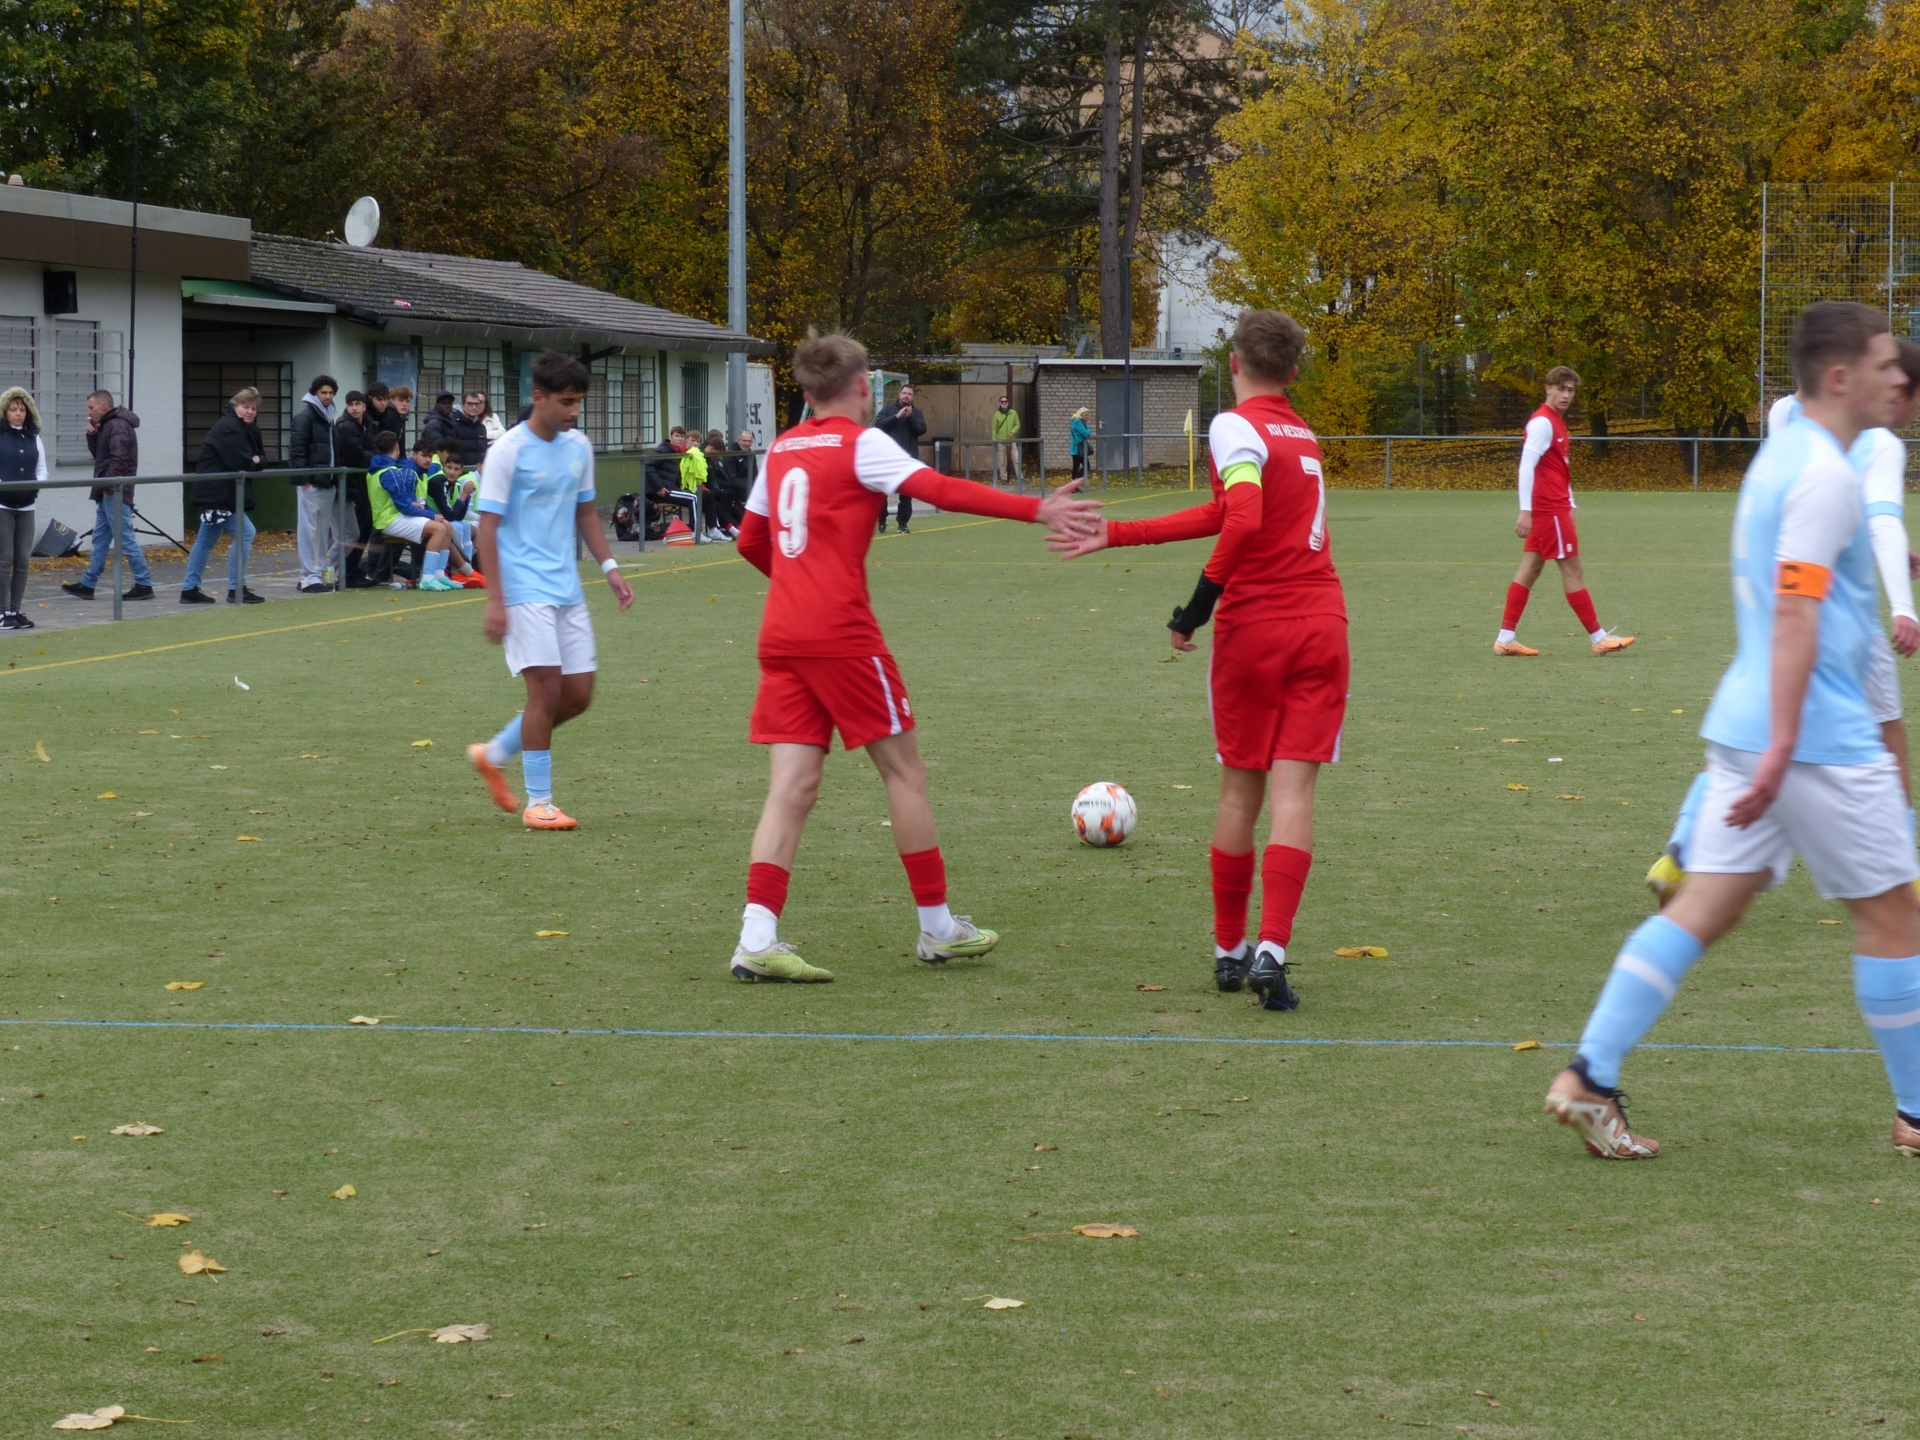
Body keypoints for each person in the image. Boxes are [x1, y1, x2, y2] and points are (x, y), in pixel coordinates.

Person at [1544, 301, 1920, 1161]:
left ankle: (1589, 1075)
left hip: (1747, 725)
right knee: (1896, 919)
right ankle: (1916, 1114)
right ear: (1840, 377)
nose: (1896, 377)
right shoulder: (1825, 473)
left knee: (1703, 907)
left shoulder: (1781, 456)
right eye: (1881, 364)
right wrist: (1788, 745)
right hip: (1815, 736)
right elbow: (1795, 613)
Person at [726, 329, 1101, 983]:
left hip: (782, 636)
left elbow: (751, 540)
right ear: (857, 385)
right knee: (905, 773)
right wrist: (1035, 510)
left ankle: (756, 937)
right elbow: (942, 490)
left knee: (790, 788)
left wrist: (797, 585)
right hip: (841, 637)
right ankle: (937, 927)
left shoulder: (783, 448)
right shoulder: (862, 443)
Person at [1053, 310, 1345, 1012]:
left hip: (1257, 629)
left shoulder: (1233, 425)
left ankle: (1229, 950)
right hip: (1321, 625)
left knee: (1241, 794)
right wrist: (1120, 533)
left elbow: (1241, 518)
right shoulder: (1300, 432)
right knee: (1295, 796)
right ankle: (1271, 950)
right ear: (1293, 371)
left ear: (1232, 363)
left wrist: (1194, 610)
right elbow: (1228, 510)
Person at [1648, 339, 1920, 904]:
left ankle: (1680, 853)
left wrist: (1878, 551)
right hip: (1836, 620)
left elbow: (1811, 510)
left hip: (1772, 610)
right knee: (1887, 736)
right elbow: (1878, 520)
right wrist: (1903, 604)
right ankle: (1905, 869)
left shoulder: (1784, 416)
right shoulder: (1881, 444)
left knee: (1746, 743)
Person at [467, 351, 635, 831]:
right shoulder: (508, 451)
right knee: (544, 690)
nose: (573, 412)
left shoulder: (578, 446)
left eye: (578, 402)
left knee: (578, 696)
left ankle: (494, 753)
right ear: (538, 397)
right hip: (522, 588)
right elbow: (487, 527)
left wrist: (610, 567)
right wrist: (495, 599)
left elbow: (585, 512)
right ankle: (539, 802)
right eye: (566, 402)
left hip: (566, 587)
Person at [1493, 366, 1634, 656]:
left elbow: (1558, 469)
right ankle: (1599, 638)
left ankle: (1505, 639)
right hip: (1549, 508)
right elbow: (1526, 466)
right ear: (1548, 388)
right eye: (1561, 389)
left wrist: (1571, 503)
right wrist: (1525, 510)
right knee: (1573, 569)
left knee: (1530, 569)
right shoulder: (1543, 423)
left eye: (1570, 390)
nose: (1566, 395)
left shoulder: (1556, 423)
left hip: (1555, 507)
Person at [64, 390, 153, 601]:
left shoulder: (117, 425)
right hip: (109, 490)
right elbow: (101, 457)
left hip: (114, 491)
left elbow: (119, 459)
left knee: (125, 538)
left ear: (104, 406)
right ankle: (88, 584)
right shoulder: (110, 425)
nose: (89, 412)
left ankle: (144, 583)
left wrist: (108, 485)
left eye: (91, 407)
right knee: (100, 539)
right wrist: (93, 436)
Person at [184, 387, 265, 605]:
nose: (250, 411)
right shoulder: (229, 427)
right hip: (219, 492)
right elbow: (240, 461)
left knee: (205, 540)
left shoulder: (242, 428)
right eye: (245, 407)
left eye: (253, 408)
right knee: (246, 532)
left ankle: (189, 589)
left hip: (221, 492)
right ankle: (236, 588)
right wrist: (254, 460)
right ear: (235, 406)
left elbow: (259, 457)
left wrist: (256, 460)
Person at [370, 433, 459, 590]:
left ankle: (439, 575)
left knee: (447, 526)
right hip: (390, 519)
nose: (428, 460)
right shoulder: (395, 472)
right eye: (424, 456)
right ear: (398, 448)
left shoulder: (392, 469)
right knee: (439, 529)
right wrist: (431, 515)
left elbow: (414, 503)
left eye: (430, 456)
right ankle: (427, 578)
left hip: (395, 516)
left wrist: (429, 512)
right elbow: (405, 506)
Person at [289, 374, 340, 594]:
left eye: (330, 393)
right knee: (308, 531)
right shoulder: (305, 417)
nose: (327, 396)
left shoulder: (329, 417)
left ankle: (314, 574)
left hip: (326, 482)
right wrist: (305, 481)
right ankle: (309, 576)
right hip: (312, 483)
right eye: (323, 392)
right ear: (315, 393)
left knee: (320, 532)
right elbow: (297, 450)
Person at [0, 386, 46, 630]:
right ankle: (1, 612)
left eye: (22, 409)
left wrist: (34, 486)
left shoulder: (34, 437)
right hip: (3, 505)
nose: (18, 414)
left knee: (22, 560)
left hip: (27, 506)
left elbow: (42, 470)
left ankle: (14, 610)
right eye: (13, 409)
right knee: (4, 558)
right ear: (5, 411)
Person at [333, 393, 380, 588]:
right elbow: (355, 455)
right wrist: (377, 457)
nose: (354, 408)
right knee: (355, 531)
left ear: (364, 407)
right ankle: (346, 573)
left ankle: (351, 572)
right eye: (350, 404)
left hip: (360, 484)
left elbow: (368, 451)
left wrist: (373, 455)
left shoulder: (367, 424)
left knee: (362, 529)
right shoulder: (346, 426)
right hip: (351, 485)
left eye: (357, 404)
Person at [874, 384, 927, 533]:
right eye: (904, 393)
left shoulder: (917, 413)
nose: (906, 396)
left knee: (906, 494)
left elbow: (921, 430)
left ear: (913, 397)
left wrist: (910, 418)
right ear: (899, 395)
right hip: (888, 459)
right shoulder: (888, 410)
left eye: (909, 394)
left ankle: (902, 523)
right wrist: (896, 417)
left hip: (908, 460)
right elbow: (879, 424)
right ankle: (882, 518)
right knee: (882, 492)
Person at [450, 391, 489, 465]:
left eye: (477, 404)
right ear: (463, 405)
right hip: (462, 470)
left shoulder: (482, 427)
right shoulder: (454, 425)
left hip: (480, 470)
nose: (474, 407)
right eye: (470, 404)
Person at [991, 393, 1022, 485]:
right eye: (1002, 401)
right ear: (1000, 403)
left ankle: (1020, 477)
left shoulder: (1013, 413)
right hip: (1001, 440)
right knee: (1002, 461)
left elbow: (1017, 424)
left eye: (1005, 401)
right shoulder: (996, 414)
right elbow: (994, 428)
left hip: (1012, 440)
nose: (1004, 403)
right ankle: (1004, 478)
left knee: (1016, 459)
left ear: (1008, 402)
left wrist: (1013, 432)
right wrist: (994, 440)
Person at [1069, 406, 1092, 481]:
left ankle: (1074, 482)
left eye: (1088, 415)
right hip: (1077, 448)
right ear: (1081, 414)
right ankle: (1074, 481)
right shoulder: (1077, 422)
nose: (1087, 417)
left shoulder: (1081, 422)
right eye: (1086, 415)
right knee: (1080, 466)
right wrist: (1089, 430)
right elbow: (1086, 433)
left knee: (1080, 466)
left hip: (1080, 447)